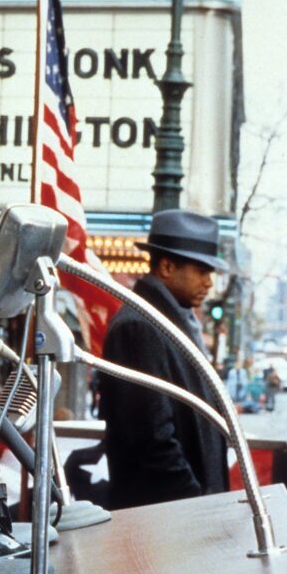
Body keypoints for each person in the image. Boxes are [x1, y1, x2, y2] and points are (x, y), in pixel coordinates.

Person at [98, 209, 230, 510]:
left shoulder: (167, 322)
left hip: (181, 515)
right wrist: (194, 502)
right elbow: (152, 439)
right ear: (167, 267)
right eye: (201, 271)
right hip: (169, 519)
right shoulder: (140, 326)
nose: (209, 283)